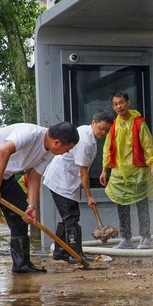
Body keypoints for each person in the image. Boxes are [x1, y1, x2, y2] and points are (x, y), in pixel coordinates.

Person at [0, 122, 79, 278]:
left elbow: (34, 178)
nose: (65, 153)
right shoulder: (29, 133)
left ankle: (22, 263)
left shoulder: (51, 151)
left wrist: (32, 206)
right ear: (57, 142)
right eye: (67, 149)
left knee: (22, 214)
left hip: (5, 173)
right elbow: (3, 152)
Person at [44, 109, 114, 263]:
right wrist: (89, 196)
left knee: (67, 217)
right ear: (93, 123)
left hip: (67, 180)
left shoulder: (90, 135)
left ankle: (60, 252)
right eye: (102, 128)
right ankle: (75, 254)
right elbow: (83, 172)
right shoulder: (85, 141)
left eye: (107, 130)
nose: (104, 132)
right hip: (61, 180)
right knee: (71, 217)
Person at [99, 92, 153, 250]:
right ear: (113, 106)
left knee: (142, 205)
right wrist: (105, 170)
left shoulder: (139, 123)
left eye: (121, 103)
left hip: (138, 171)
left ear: (128, 102)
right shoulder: (114, 125)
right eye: (115, 104)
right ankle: (125, 238)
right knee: (122, 206)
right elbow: (107, 148)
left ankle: (145, 237)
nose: (119, 106)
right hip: (119, 173)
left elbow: (148, 145)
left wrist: (152, 165)